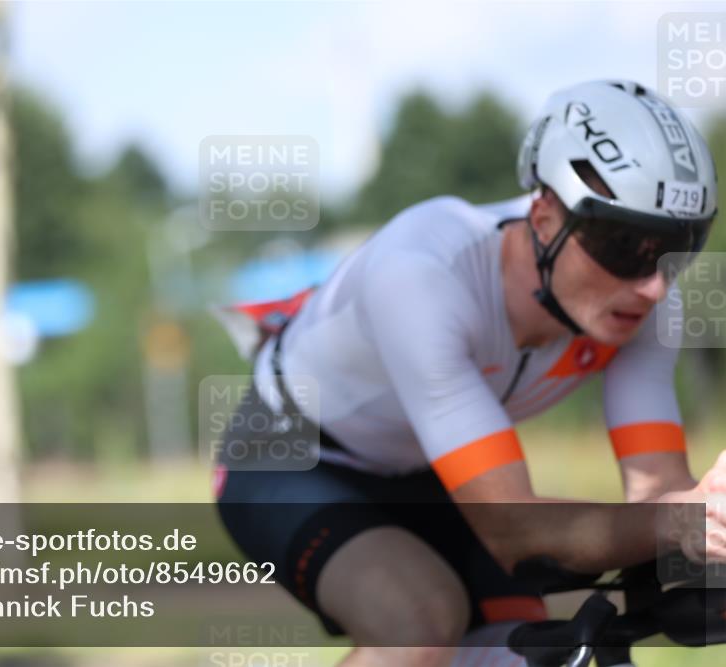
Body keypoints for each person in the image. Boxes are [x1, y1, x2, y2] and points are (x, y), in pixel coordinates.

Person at [213, 80, 724, 667]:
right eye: (623, 244)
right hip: (293, 458)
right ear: (544, 215)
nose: (653, 283)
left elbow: (656, 492)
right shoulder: (424, 277)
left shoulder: (648, 303)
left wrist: (709, 511)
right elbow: (514, 528)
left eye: (677, 249)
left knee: (532, 655)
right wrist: (677, 523)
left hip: (430, 473)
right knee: (420, 624)